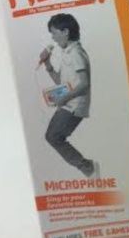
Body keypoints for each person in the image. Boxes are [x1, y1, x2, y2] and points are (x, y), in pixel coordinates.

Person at [39, 13, 98, 178]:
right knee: (52, 136)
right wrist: (47, 63)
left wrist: (64, 98)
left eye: (54, 32)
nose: (53, 37)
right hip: (68, 103)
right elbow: (61, 82)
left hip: (74, 105)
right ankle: (87, 167)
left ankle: (88, 168)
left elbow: (84, 83)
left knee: (53, 137)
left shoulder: (76, 53)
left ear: (65, 31)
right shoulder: (67, 52)